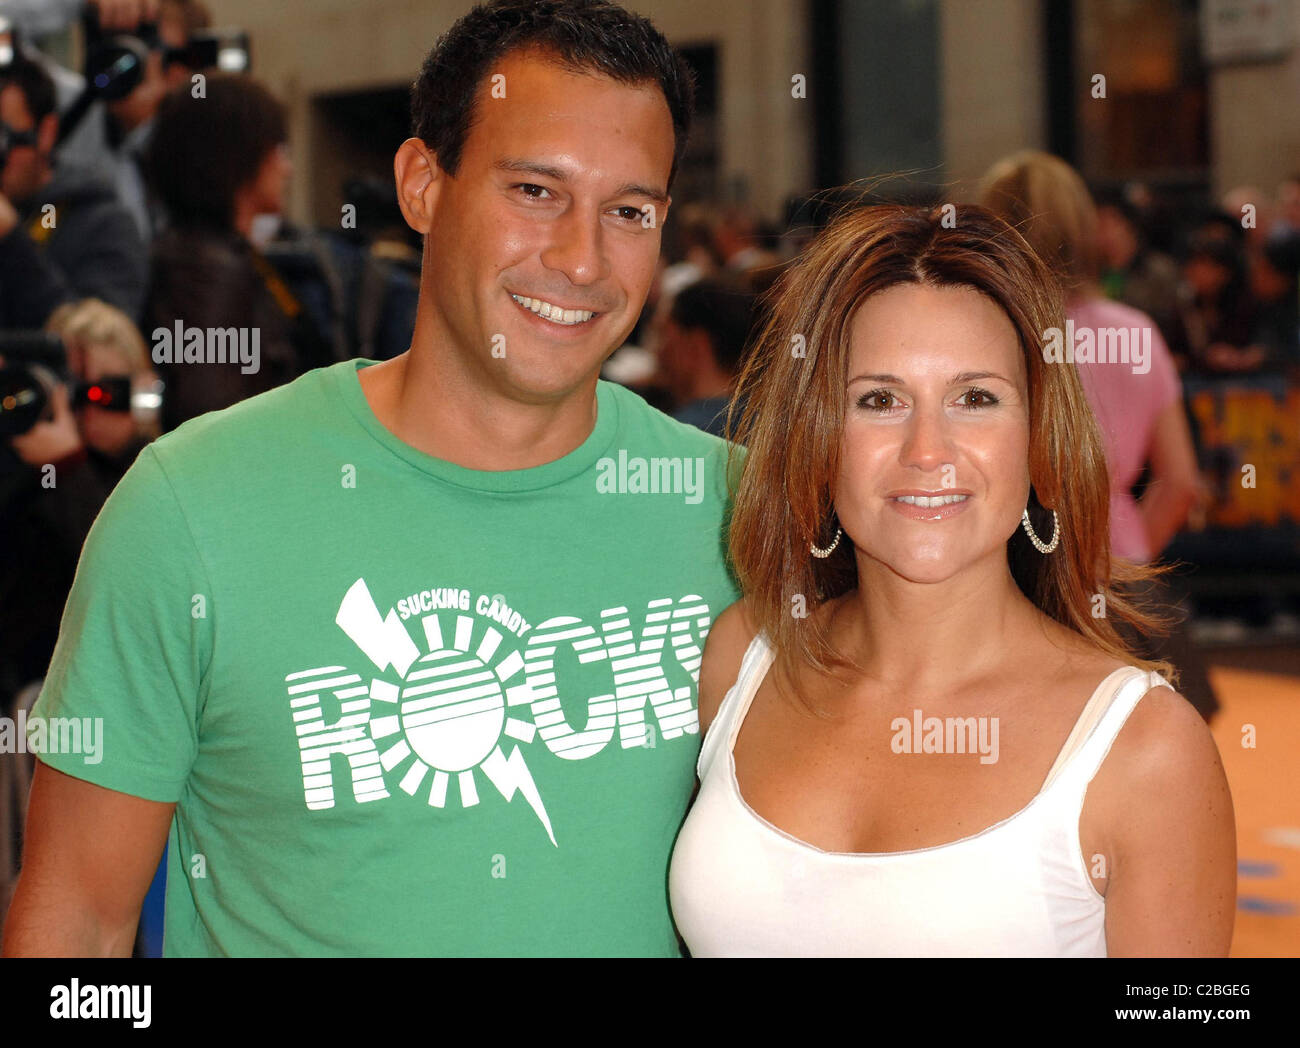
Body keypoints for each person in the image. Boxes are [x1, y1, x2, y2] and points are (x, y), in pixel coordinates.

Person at [3, 0, 738, 958]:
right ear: (423, 184)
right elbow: (78, 928)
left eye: (629, 211)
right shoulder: (193, 509)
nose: (581, 259)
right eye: (534, 191)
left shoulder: (740, 510)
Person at [669, 203, 1235, 956]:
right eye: (879, 400)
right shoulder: (743, 656)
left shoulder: (1146, 749)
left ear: (1037, 439)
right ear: (818, 437)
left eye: (976, 399)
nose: (927, 450)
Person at [979, 152, 1218, 721]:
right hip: (1123, 586)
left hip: (1015, 587)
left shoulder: (990, 336)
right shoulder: (1136, 333)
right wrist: (1127, 562)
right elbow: (1180, 483)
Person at [142, 73, 326, 430]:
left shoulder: (215, 256)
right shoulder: (209, 270)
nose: (286, 168)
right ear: (238, 157)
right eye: (278, 149)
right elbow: (210, 421)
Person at [0, 54, 148, 325]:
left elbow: (106, 350)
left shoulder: (103, 225)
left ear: (46, 133)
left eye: (3, 137)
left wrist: (11, 241)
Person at [654, 276, 756, 437]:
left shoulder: (674, 437)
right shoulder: (779, 426)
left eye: (663, 335)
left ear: (694, 346)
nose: (657, 351)